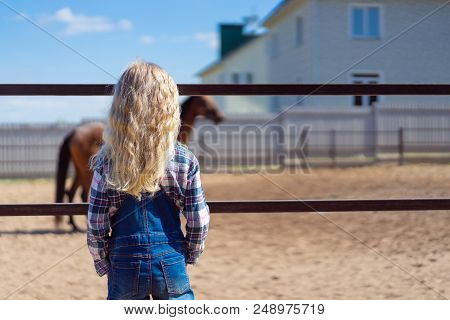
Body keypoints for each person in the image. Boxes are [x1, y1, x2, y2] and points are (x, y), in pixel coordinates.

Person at [86, 61, 210, 300]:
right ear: (169, 108)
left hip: (123, 261)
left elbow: (96, 222)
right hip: (171, 257)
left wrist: (102, 261)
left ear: (120, 108)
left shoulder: (106, 162)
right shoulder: (184, 159)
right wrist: (191, 253)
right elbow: (198, 219)